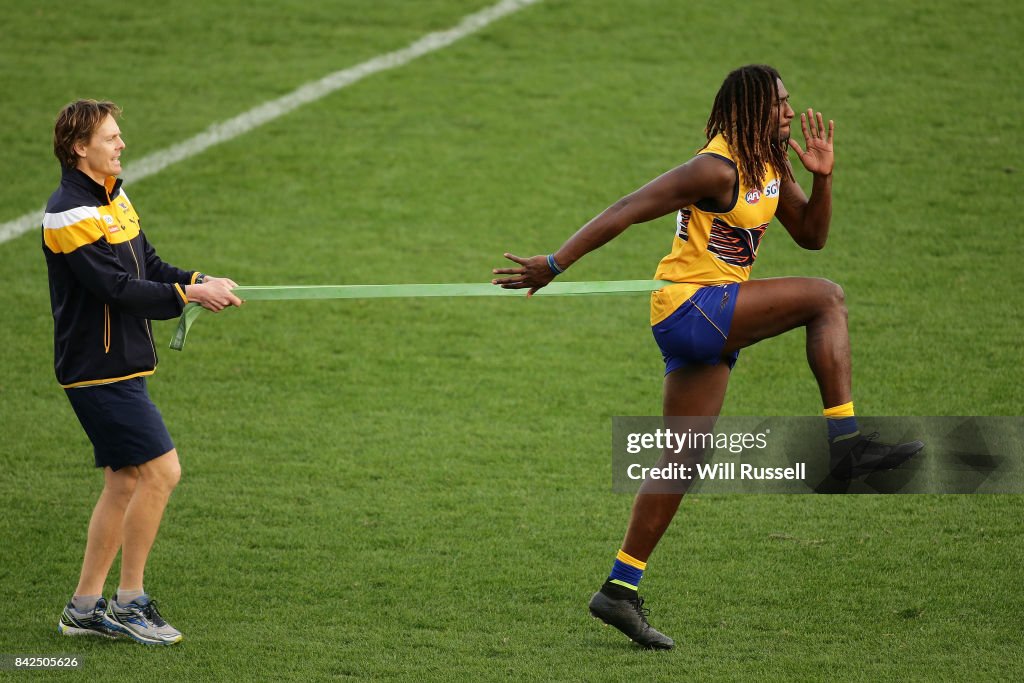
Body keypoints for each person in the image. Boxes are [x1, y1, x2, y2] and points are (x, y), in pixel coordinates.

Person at [491, 65, 923, 650]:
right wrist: (555, 263)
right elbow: (629, 206)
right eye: (780, 105)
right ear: (749, 109)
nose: (791, 114)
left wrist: (822, 180)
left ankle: (619, 589)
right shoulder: (714, 167)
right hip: (691, 308)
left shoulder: (770, 163)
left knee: (683, 457)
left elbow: (812, 236)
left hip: (711, 317)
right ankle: (845, 444)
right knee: (827, 297)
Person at [44, 99, 242, 645]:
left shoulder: (114, 198)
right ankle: (130, 603)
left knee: (125, 480)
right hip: (96, 372)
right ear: (79, 148)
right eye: (110, 137)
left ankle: (85, 608)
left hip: (120, 366)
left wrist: (200, 280)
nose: (121, 143)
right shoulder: (69, 213)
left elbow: (146, 265)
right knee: (161, 472)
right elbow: (114, 287)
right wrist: (186, 294)